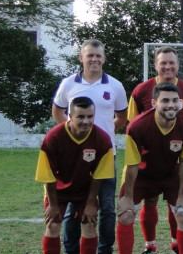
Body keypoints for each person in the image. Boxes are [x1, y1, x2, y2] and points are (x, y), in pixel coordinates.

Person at [52, 39, 128, 254]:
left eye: (98, 56)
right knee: (73, 205)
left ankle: (105, 250)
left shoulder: (115, 85)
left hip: (105, 154)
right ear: (81, 58)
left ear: (103, 58)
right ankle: (71, 249)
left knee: (107, 207)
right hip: (74, 157)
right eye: (90, 55)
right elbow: (57, 111)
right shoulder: (68, 84)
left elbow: (122, 117)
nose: (94, 59)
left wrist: (101, 135)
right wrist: (71, 132)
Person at [126, 46, 183, 253]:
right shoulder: (140, 90)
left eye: (171, 63)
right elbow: (134, 126)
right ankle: (150, 245)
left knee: (177, 206)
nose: (167, 66)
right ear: (156, 65)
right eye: (163, 63)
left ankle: (177, 242)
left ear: (177, 65)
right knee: (149, 201)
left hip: (173, 163)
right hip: (147, 163)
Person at [36, 96, 115, 254]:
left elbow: (99, 176)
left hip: (85, 190)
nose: (86, 121)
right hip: (57, 190)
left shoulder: (103, 140)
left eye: (90, 116)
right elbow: (47, 175)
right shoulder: (53, 138)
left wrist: (91, 203)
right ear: (70, 116)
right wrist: (52, 205)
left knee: (89, 223)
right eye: (80, 116)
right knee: (53, 224)